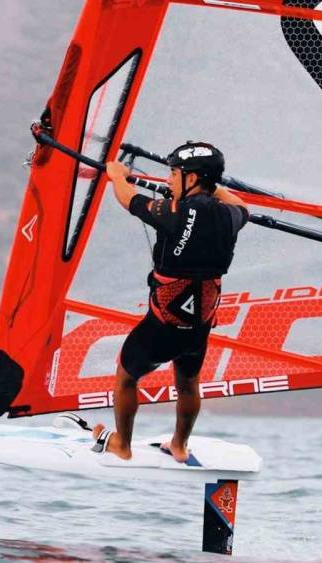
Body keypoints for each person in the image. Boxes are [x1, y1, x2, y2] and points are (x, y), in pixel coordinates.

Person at [91, 141, 249, 463]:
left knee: (126, 376)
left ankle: (122, 444)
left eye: (174, 174)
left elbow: (129, 199)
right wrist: (212, 187)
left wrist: (117, 175)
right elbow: (240, 204)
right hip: (198, 327)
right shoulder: (231, 216)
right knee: (188, 383)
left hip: (163, 326)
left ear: (191, 178)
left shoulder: (173, 213)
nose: (168, 180)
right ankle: (179, 445)